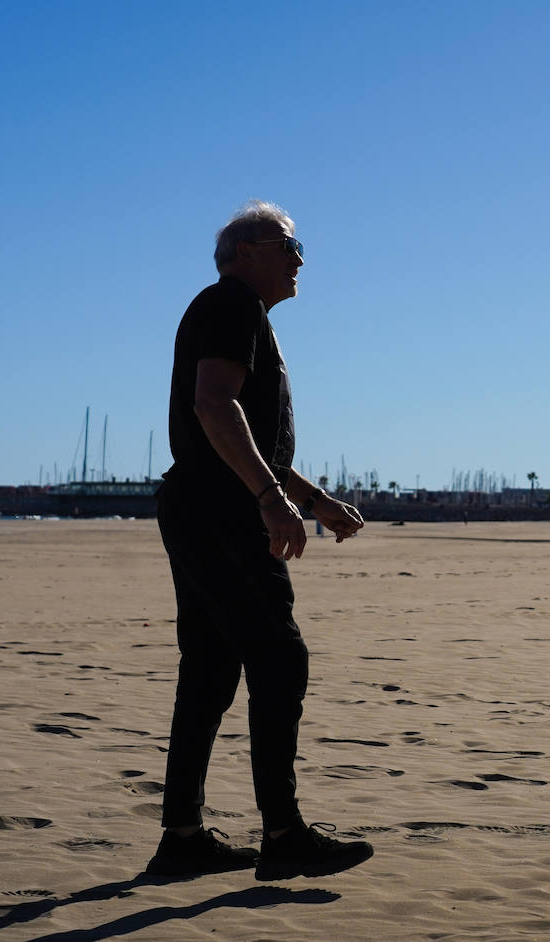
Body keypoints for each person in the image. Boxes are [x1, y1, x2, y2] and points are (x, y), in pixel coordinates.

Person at [148, 201, 374, 881]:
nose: (299, 258)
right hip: (221, 509)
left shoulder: (237, 312)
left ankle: (183, 837)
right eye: (290, 245)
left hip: (203, 504)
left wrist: (313, 499)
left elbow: (247, 430)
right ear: (245, 251)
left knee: (212, 669)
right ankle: (283, 834)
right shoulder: (230, 305)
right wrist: (271, 499)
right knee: (280, 658)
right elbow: (214, 405)